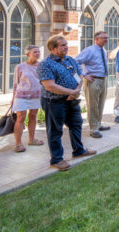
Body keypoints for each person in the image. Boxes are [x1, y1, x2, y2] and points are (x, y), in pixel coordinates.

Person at [37, 36, 96, 171]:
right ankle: (56, 159)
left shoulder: (70, 60)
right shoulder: (45, 64)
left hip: (72, 100)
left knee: (76, 124)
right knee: (55, 130)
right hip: (54, 102)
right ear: (53, 48)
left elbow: (79, 76)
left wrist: (76, 91)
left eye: (66, 44)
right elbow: (50, 86)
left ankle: (79, 151)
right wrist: (71, 92)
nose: (66, 47)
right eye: (63, 45)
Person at [75, 31, 110, 138]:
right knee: (93, 105)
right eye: (104, 38)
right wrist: (84, 74)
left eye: (107, 38)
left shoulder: (103, 50)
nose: (106, 40)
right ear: (97, 39)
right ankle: (93, 129)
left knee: (100, 104)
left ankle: (98, 124)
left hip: (103, 79)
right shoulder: (89, 50)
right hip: (93, 80)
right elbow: (76, 61)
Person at [11, 45, 43, 153]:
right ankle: (18, 144)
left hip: (36, 95)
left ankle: (31, 139)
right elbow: (15, 83)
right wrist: (13, 98)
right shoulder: (20, 67)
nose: (38, 54)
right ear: (28, 54)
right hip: (21, 96)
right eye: (35, 52)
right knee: (20, 118)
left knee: (33, 116)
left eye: (38, 52)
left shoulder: (41, 66)